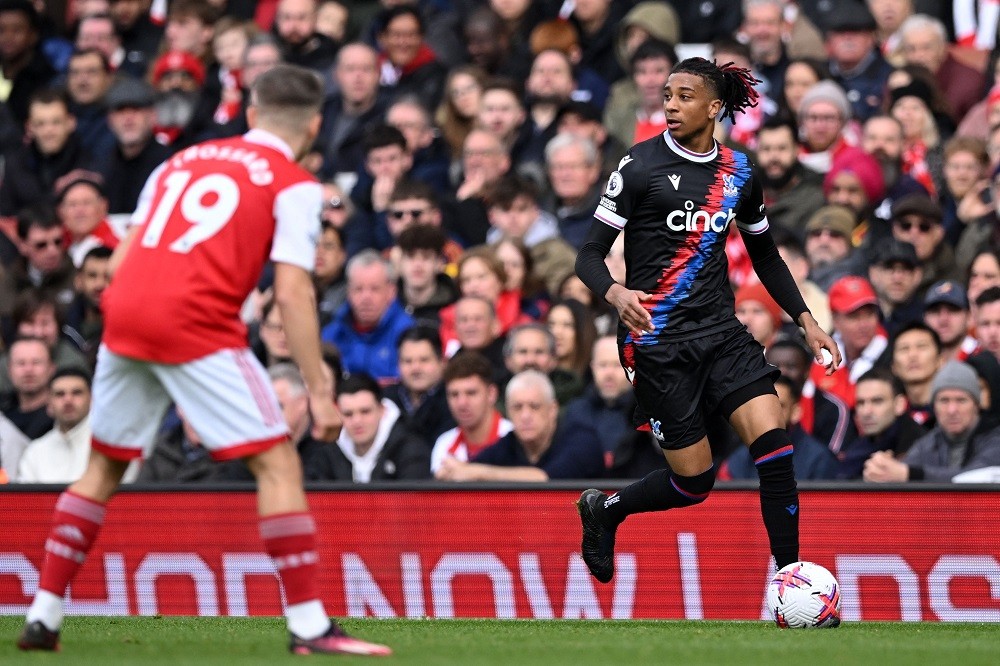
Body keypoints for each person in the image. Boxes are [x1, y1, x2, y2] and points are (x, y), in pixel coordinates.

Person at [16, 65, 390, 656]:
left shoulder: (178, 162)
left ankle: (43, 615)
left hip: (125, 313)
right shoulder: (293, 183)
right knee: (278, 465)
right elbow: (292, 291)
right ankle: (312, 626)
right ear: (315, 125)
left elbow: (119, 262)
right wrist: (319, 391)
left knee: (102, 468)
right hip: (194, 322)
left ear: (250, 114)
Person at [573, 57, 839, 584]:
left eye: (685, 95)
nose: (671, 103)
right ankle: (607, 510)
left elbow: (764, 256)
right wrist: (615, 291)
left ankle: (791, 582)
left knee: (775, 447)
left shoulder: (740, 173)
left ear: (715, 107)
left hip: (722, 333)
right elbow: (587, 255)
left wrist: (806, 320)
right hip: (657, 342)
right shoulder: (638, 166)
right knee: (694, 483)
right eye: (668, 94)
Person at [435, 369, 605, 481]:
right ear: (507, 411)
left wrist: (477, 473)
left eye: (534, 406)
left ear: (552, 409)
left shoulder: (581, 439)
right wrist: (451, 472)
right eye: (517, 407)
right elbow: (471, 468)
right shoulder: (509, 443)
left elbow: (545, 480)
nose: (525, 416)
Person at [863, 361, 1000, 482]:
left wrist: (910, 474)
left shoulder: (995, 438)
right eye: (944, 400)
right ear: (934, 407)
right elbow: (903, 468)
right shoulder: (929, 442)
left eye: (961, 400)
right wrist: (882, 468)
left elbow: (978, 478)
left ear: (977, 405)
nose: (952, 410)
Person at [305, 372, 430, 482]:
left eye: (365, 412)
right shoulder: (326, 452)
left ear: (382, 410)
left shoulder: (411, 450)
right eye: (348, 414)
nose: (357, 421)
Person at [719, 375, 839, 481]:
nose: (769, 412)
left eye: (779, 405)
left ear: (795, 412)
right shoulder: (738, 460)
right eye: (763, 405)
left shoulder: (819, 460)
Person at [430, 350, 512, 474]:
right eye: (454, 394)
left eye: (471, 393)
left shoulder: (513, 437)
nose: (462, 403)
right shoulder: (444, 443)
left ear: (491, 394)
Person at [837, 366, 925, 480]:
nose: (866, 411)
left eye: (877, 401)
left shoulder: (922, 447)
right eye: (860, 402)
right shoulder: (855, 450)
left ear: (899, 404)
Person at [15, 368, 93, 483]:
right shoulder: (35, 452)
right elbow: (26, 500)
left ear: (92, 399)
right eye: (60, 394)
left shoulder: (109, 447)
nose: (68, 400)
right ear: (49, 404)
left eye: (77, 393)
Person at [383, 325, 454, 444]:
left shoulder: (454, 400)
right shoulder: (386, 400)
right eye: (408, 361)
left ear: (442, 362)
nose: (415, 368)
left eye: (424, 360)